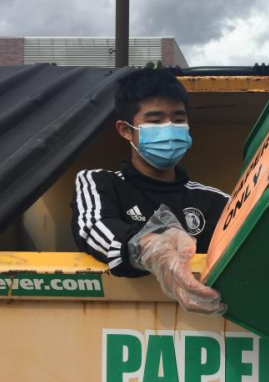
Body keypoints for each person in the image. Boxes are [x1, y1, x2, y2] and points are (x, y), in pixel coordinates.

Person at [70, 68, 228, 314]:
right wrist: (151, 247)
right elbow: (95, 229)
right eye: (155, 121)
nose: (169, 129)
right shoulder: (99, 183)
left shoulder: (215, 200)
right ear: (125, 130)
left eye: (178, 120)